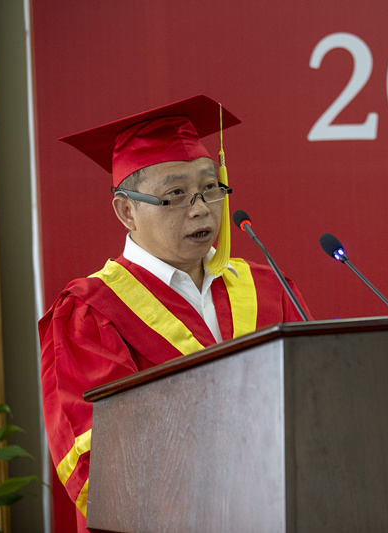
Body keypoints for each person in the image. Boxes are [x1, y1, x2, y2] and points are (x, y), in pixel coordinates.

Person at [39, 94, 311, 531]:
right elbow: (104, 465)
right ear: (126, 211)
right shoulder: (91, 311)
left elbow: (314, 405)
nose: (201, 208)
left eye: (210, 188)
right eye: (176, 194)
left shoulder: (267, 289)